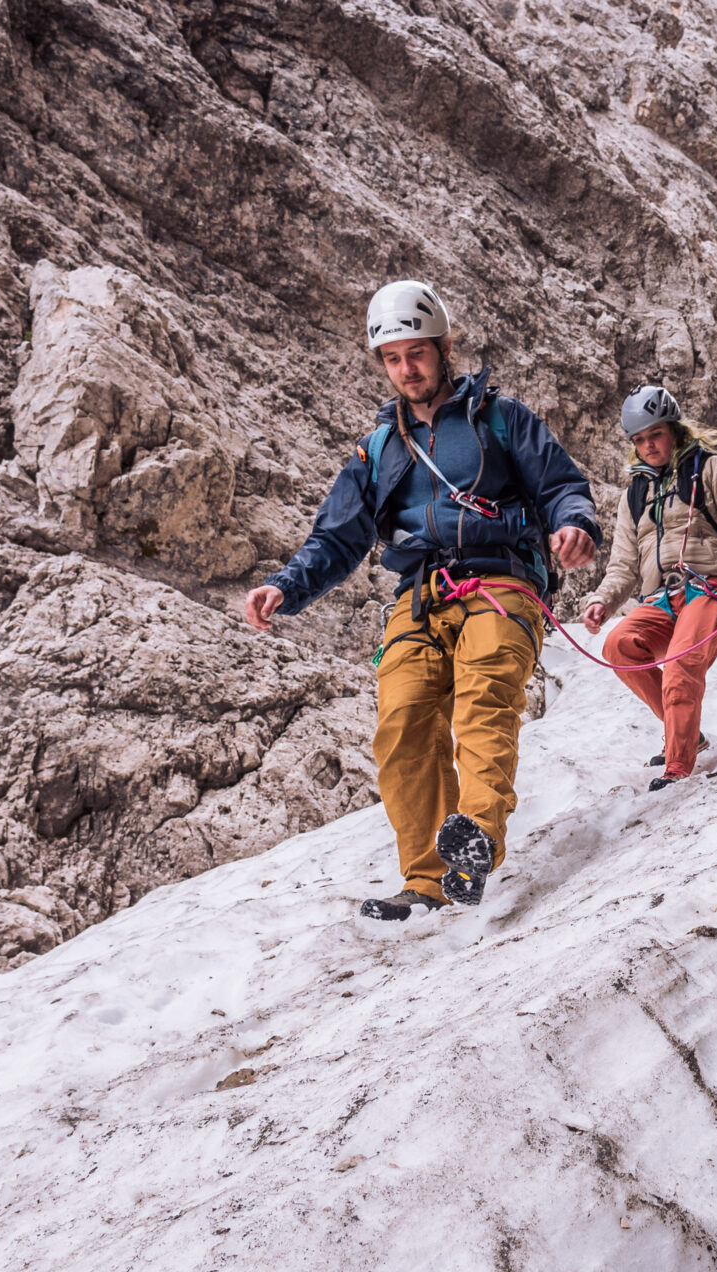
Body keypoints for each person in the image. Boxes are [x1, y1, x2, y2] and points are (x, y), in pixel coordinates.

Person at [244, 281, 599, 922]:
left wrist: (575, 523)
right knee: (402, 725)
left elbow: (561, 485)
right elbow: (337, 536)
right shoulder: (379, 450)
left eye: (417, 354)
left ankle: (477, 839)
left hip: (502, 584)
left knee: (484, 697)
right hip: (420, 597)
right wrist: (287, 585)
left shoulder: (501, 418)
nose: (407, 370)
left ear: (443, 348)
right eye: (393, 359)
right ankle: (428, 880)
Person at [579, 387, 717, 791]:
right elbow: (623, 564)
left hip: (710, 588)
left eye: (656, 435)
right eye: (640, 440)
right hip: (660, 597)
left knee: (681, 665)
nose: (648, 446)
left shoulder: (709, 469)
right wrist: (602, 601)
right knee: (619, 646)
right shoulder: (635, 494)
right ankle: (686, 732)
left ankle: (678, 765)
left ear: (675, 432)